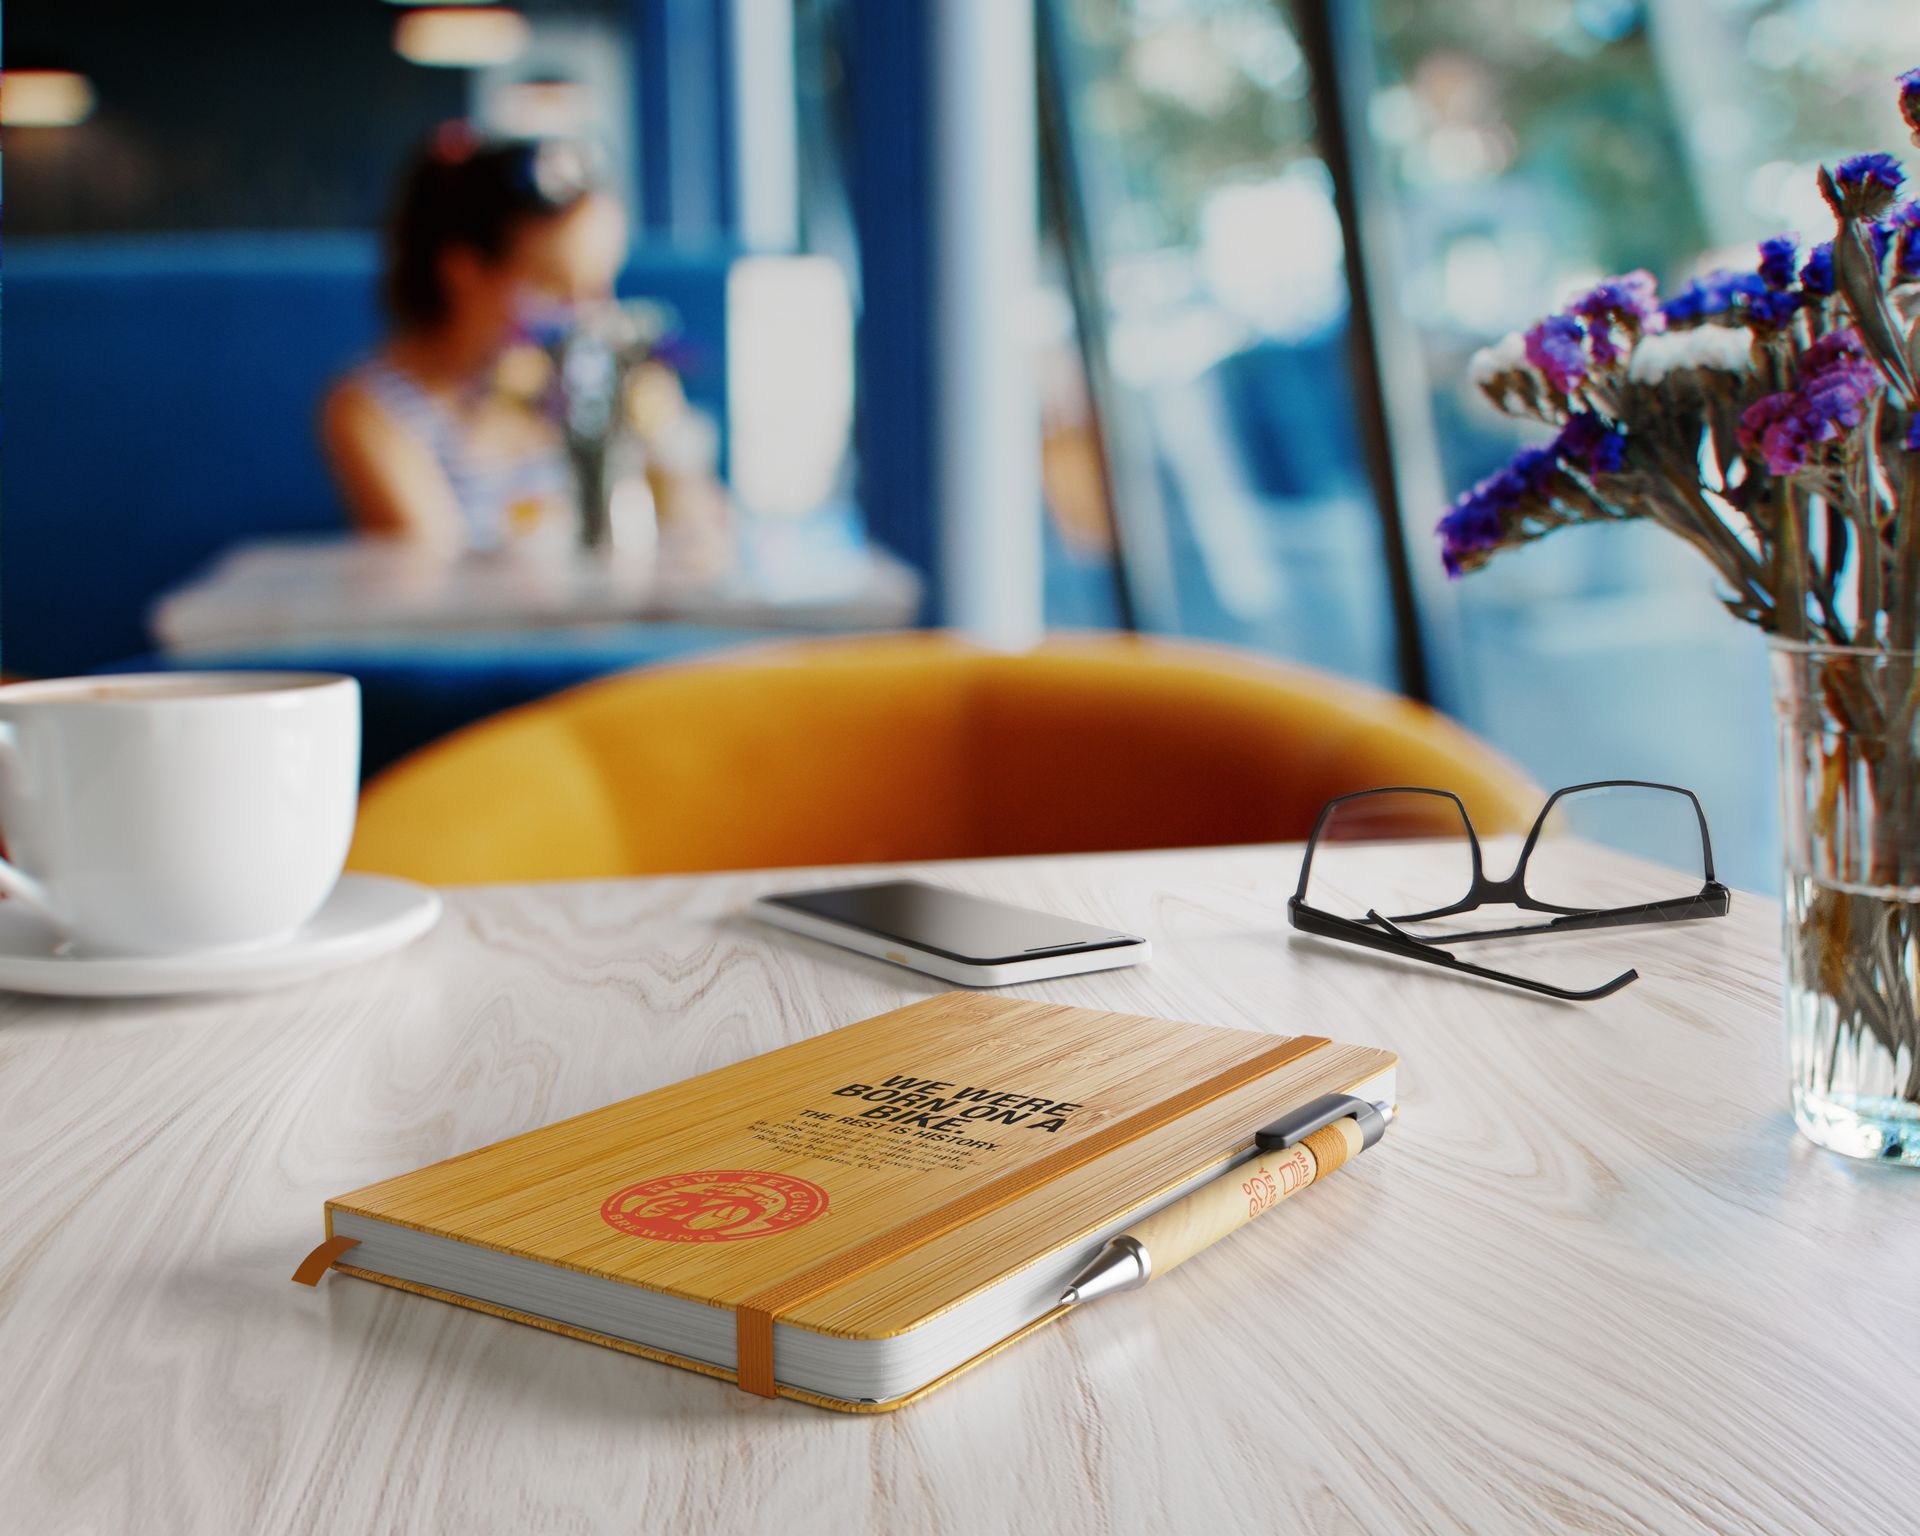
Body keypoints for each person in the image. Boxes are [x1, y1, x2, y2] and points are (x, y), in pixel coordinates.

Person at [321, 125, 628, 553]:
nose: (589, 316)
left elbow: (695, 528)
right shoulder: (371, 408)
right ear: (463, 270)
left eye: (599, 288)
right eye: (554, 287)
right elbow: (436, 567)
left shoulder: (592, 386)